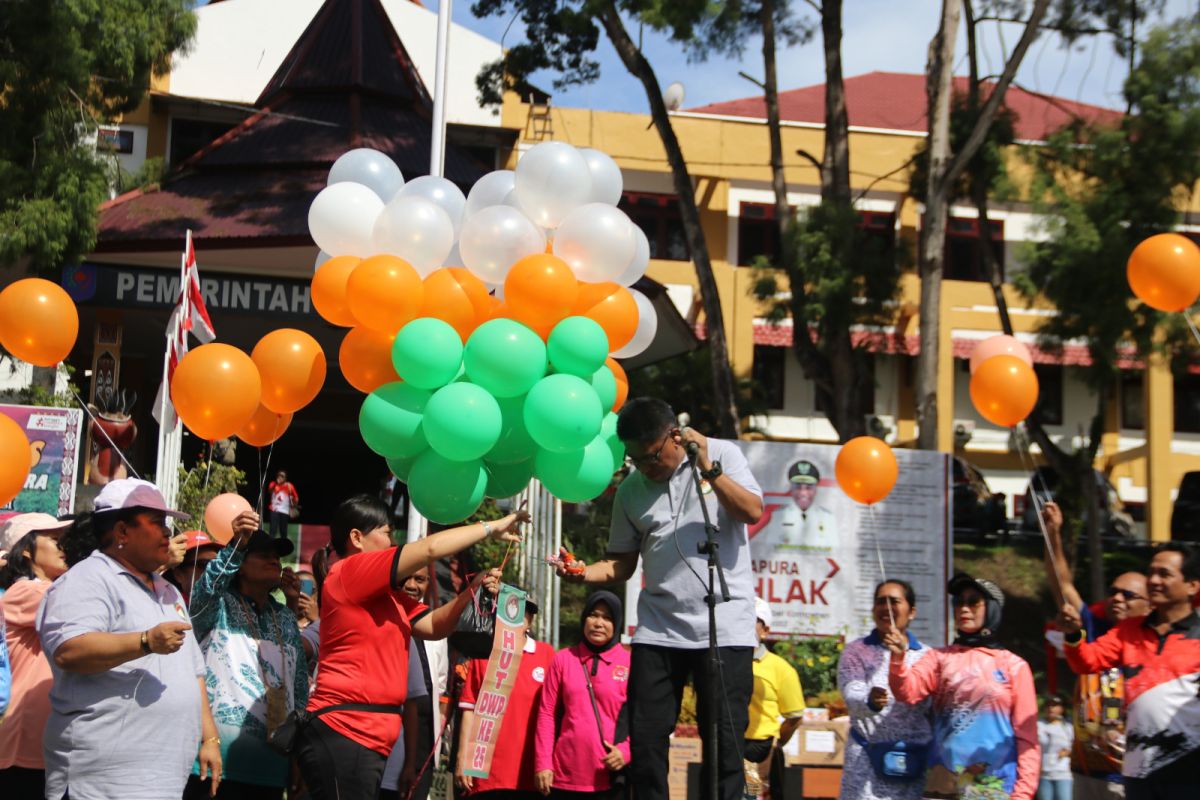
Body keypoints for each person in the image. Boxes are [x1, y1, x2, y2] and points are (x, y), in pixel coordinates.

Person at [558, 397, 764, 800]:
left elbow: (752, 511)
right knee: (647, 742)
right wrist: (582, 571)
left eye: (652, 457)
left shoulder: (723, 454)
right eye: (636, 460)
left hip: (724, 626)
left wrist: (709, 467)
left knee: (723, 743)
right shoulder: (631, 491)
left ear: (675, 437)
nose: (646, 468)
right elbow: (620, 565)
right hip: (658, 630)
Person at [296, 494, 524, 800]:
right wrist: (490, 527)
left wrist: (473, 589)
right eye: (387, 533)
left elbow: (435, 626)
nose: (393, 543)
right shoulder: (348, 572)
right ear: (356, 538)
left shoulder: (388, 596)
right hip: (345, 730)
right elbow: (429, 549)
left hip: (370, 738)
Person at [36, 478, 223, 800]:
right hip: (100, 785)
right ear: (122, 532)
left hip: (160, 780)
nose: (167, 532)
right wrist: (145, 642)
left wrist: (209, 739)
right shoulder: (88, 579)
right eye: (156, 523)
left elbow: (193, 671)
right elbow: (70, 650)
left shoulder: (167, 590)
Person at [1059, 543, 1200, 799]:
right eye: (1151, 572)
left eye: (1164, 574)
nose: (1154, 580)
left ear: (1192, 585)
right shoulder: (1128, 630)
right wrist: (1072, 634)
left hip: (1189, 775)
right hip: (1137, 775)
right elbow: (1086, 662)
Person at [183, 512, 308, 800]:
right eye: (262, 554)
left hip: (272, 770)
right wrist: (237, 545)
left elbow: (299, 690)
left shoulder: (286, 620)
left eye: (277, 555)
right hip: (215, 764)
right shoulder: (217, 607)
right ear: (239, 566)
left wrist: (298, 756)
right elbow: (207, 589)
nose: (274, 559)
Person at [886, 573, 1039, 800]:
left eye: (973, 601)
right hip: (942, 783)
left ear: (992, 609)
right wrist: (898, 658)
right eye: (959, 602)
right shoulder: (938, 658)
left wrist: (1023, 793)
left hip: (995, 787)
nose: (964, 608)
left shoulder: (1014, 666)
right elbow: (906, 692)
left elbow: (1027, 738)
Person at [1042, 502, 1148, 799]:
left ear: (1150, 605)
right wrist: (1054, 534)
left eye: (1128, 595)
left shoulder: (1156, 642)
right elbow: (1061, 583)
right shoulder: (1094, 624)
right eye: (1113, 591)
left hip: (1130, 773)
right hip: (1085, 769)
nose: (1117, 598)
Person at [838, 579, 933, 800]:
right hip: (865, 765)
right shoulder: (855, 651)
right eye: (880, 601)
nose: (886, 607)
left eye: (894, 601)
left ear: (912, 612)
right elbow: (851, 691)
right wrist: (868, 700)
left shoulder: (928, 657)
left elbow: (934, 708)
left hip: (914, 765)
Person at [0, 513, 72, 796]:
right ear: (27, 549)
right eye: (54, 540)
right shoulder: (25, 591)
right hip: (24, 738)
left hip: (48, 738)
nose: (63, 548)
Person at [535, 590, 631, 800]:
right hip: (563, 778)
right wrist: (543, 763)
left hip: (611, 780)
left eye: (607, 618)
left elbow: (643, 718)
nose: (598, 623)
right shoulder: (563, 660)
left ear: (617, 624)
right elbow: (547, 714)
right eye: (593, 615)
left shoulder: (630, 664)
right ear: (584, 618)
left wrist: (625, 751)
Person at [457, 597, 555, 800]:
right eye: (511, 611)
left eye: (524, 613)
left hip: (530, 773)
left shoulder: (546, 655)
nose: (517, 618)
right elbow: (469, 710)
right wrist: (463, 758)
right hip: (485, 773)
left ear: (530, 622)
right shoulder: (484, 653)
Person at [380, 566, 450, 800]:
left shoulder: (436, 629)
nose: (411, 585)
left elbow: (440, 687)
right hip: (386, 737)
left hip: (423, 742)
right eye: (405, 578)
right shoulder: (379, 620)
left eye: (419, 579)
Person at [743, 597, 804, 800]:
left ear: (765, 630)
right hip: (727, 745)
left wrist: (774, 744)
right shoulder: (721, 662)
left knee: (752, 797)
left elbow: (794, 716)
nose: (742, 623)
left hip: (760, 751)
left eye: (750, 619)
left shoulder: (782, 669)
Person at [753, 460, 838, 554]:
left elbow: (833, 552)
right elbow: (771, 550)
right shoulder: (778, 516)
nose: (803, 493)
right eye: (798, 487)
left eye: (809, 487)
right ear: (791, 488)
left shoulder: (828, 518)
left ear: (816, 489)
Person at [168, 530, 223, 605]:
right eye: (204, 564)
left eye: (217, 564)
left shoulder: (227, 606)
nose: (214, 571)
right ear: (178, 575)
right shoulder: (169, 610)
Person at [1038, 696, 1073, 800]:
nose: (1051, 709)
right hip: (1044, 774)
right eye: (1048, 706)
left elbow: (1071, 746)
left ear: (1061, 709)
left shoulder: (1068, 726)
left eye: (1054, 706)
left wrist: (1068, 752)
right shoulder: (1038, 725)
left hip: (1062, 773)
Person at [267, 470, 299, 538]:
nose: (280, 477)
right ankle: (270, 547)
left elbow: (296, 497)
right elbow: (270, 491)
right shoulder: (273, 484)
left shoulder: (289, 486)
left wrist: (294, 505)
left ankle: (283, 547)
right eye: (278, 475)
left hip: (284, 511)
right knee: (273, 530)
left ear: (285, 478)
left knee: (283, 531)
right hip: (274, 510)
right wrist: (276, 484)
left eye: (282, 476)